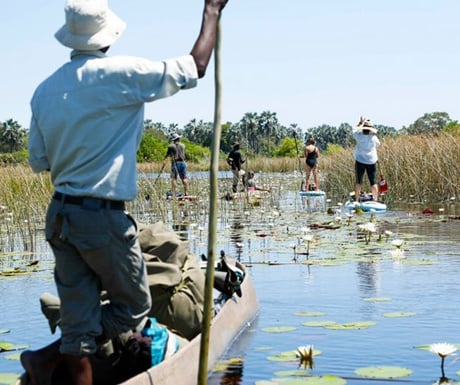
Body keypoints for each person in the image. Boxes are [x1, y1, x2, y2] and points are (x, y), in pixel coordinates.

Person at [24, 0, 230, 383]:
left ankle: (44, 359)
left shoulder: (44, 90)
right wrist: (212, 11)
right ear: (107, 35)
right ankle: (50, 353)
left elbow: (41, 161)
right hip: (101, 216)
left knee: (79, 317)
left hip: (60, 215)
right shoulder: (121, 73)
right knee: (135, 306)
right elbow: (196, 66)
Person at [353, 117, 381, 201]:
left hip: (360, 161)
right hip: (371, 161)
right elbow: (378, 144)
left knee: (359, 181)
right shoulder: (374, 138)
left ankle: (357, 200)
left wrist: (360, 123)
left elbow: (354, 130)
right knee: (373, 181)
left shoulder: (359, 136)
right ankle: (375, 200)